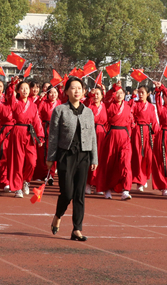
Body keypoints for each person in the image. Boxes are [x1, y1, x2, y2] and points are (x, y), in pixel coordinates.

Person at [47, 77, 98, 241]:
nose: (77, 91)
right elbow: (53, 137)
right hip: (65, 155)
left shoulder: (88, 112)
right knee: (67, 192)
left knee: (79, 195)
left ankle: (77, 229)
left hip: (83, 156)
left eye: (79, 88)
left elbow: (93, 137)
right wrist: (50, 157)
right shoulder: (60, 110)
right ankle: (58, 215)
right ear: (67, 91)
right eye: (73, 88)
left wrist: (94, 158)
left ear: (83, 92)